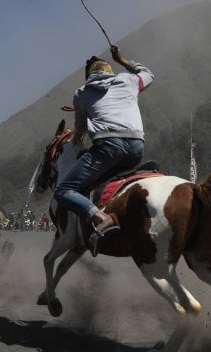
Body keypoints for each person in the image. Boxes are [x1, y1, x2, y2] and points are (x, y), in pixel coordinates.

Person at [53, 44, 154, 256]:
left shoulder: (81, 93)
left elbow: (80, 129)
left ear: (89, 75)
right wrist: (123, 60)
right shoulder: (128, 80)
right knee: (100, 184)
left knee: (63, 190)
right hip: (136, 149)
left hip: (108, 147)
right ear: (110, 70)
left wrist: (80, 136)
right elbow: (148, 74)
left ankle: (101, 218)